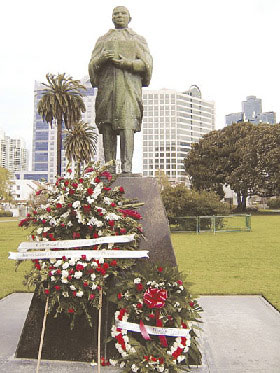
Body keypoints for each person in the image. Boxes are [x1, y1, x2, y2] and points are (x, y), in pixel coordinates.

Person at [88, 6, 153, 173]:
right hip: (107, 90)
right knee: (108, 127)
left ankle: (127, 167)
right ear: (112, 18)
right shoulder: (103, 40)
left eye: (123, 13)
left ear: (129, 17)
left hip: (128, 90)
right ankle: (109, 168)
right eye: (116, 13)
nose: (119, 16)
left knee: (126, 126)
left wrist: (127, 63)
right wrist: (101, 59)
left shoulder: (137, 39)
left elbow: (147, 65)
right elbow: (92, 65)